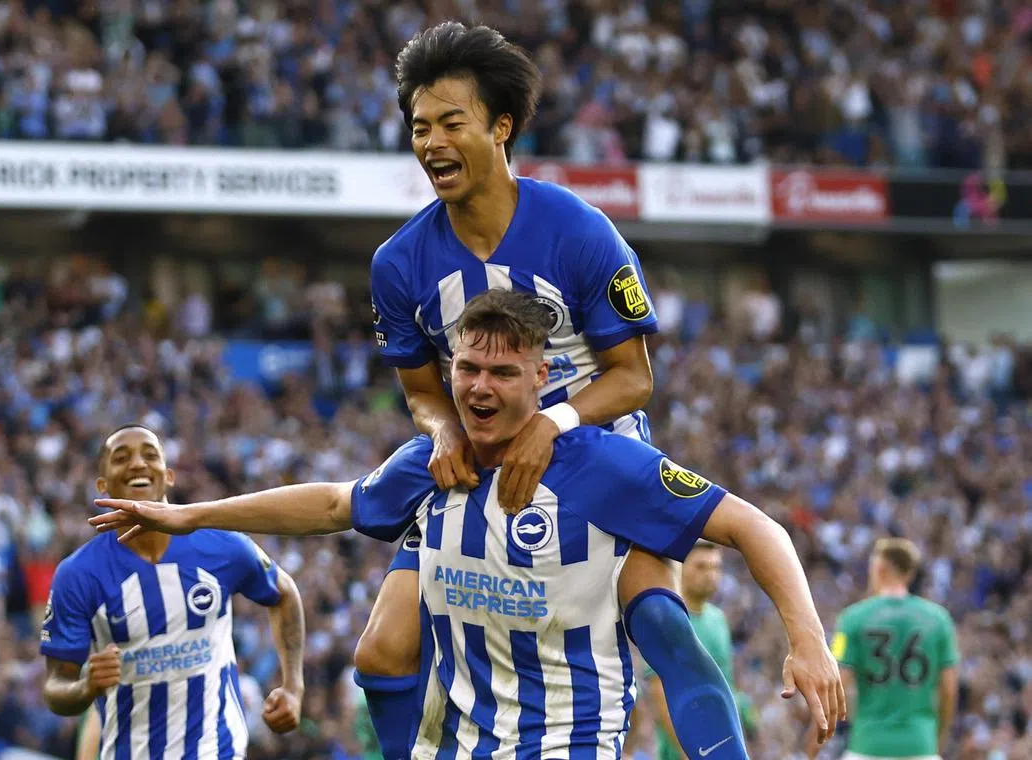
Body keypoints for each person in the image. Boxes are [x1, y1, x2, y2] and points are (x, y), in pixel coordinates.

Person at [90, 290, 845, 758]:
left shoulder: (604, 468)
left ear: (541, 378)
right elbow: (332, 504)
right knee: (379, 653)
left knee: (664, 625)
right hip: (460, 743)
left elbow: (755, 527)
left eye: (503, 373)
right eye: (467, 371)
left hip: (567, 744)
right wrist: (189, 515)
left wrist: (807, 642)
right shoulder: (432, 463)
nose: (480, 388)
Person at [363, 21, 692, 756]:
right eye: (420, 128)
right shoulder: (398, 263)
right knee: (382, 651)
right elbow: (419, 390)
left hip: (592, 454)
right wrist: (442, 429)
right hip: (481, 463)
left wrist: (557, 421)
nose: (432, 143)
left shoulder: (581, 231)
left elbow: (634, 379)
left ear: (501, 126)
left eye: (452, 122)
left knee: (664, 625)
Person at [40, 424, 306, 758]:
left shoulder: (220, 546)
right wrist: (84, 687)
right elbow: (54, 687)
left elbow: (283, 593)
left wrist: (293, 687)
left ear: (168, 476)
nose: (137, 464)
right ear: (102, 485)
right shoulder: (78, 574)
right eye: (121, 458)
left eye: (149, 455)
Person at [824, 538, 959, 760]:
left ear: (880, 568)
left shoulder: (851, 619)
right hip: (921, 745)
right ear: (910, 573)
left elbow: (838, 684)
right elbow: (949, 689)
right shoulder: (939, 619)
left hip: (867, 745)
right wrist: (938, 738)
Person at [628, 541, 744, 760]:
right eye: (701, 566)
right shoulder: (668, 619)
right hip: (686, 751)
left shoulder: (718, 619)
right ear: (680, 568)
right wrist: (688, 751)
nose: (710, 575)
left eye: (715, 567)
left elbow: (726, 682)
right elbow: (659, 690)